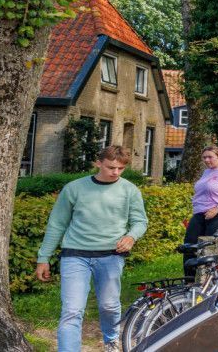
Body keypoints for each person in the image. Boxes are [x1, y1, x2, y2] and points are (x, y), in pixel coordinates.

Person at [34, 146, 148, 352]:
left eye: (121, 168)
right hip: (75, 255)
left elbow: (140, 221)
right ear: (98, 163)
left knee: (109, 306)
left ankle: (111, 340)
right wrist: (43, 257)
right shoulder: (74, 188)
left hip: (111, 256)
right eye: (111, 167)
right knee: (72, 310)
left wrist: (131, 236)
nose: (116, 172)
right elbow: (57, 224)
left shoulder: (129, 190)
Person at [183, 145, 218, 278]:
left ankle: (210, 281)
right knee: (189, 247)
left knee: (211, 248)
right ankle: (190, 280)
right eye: (204, 157)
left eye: (210, 157)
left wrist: (217, 208)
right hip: (200, 214)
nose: (207, 160)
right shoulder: (206, 173)